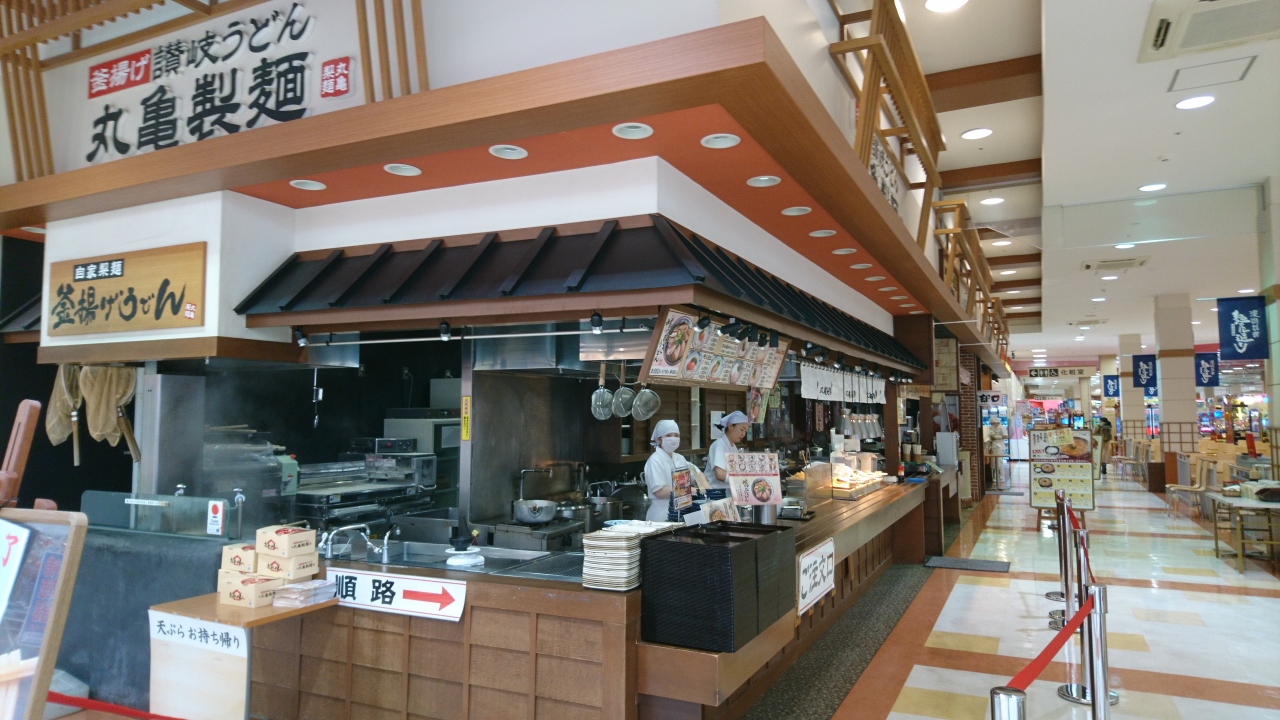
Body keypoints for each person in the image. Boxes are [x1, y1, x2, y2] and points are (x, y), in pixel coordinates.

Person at [644, 419, 694, 522]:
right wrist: (687, 490)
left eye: (676, 435)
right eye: (668, 435)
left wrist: (705, 487)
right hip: (661, 515)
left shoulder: (679, 458)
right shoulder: (655, 460)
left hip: (681, 512)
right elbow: (659, 492)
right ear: (659, 439)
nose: (673, 438)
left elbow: (695, 472)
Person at [704, 411, 749, 502]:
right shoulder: (719, 445)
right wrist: (741, 479)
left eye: (745, 431)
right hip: (715, 495)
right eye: (742, 429)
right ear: (730, 426)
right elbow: (720, 474)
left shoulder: (733, 447)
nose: (743, 434)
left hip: (728, 495)